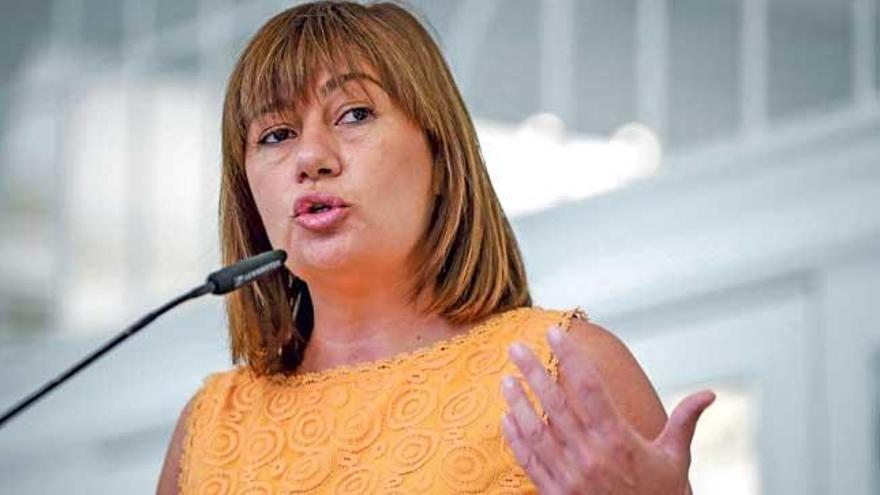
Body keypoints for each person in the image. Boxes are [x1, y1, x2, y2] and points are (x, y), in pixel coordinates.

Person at [156, 1, 715, 493]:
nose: (312, 158)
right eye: (276, 135)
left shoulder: (565, 373)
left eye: (354, 114)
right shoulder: (207, 429)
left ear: (442, 160)